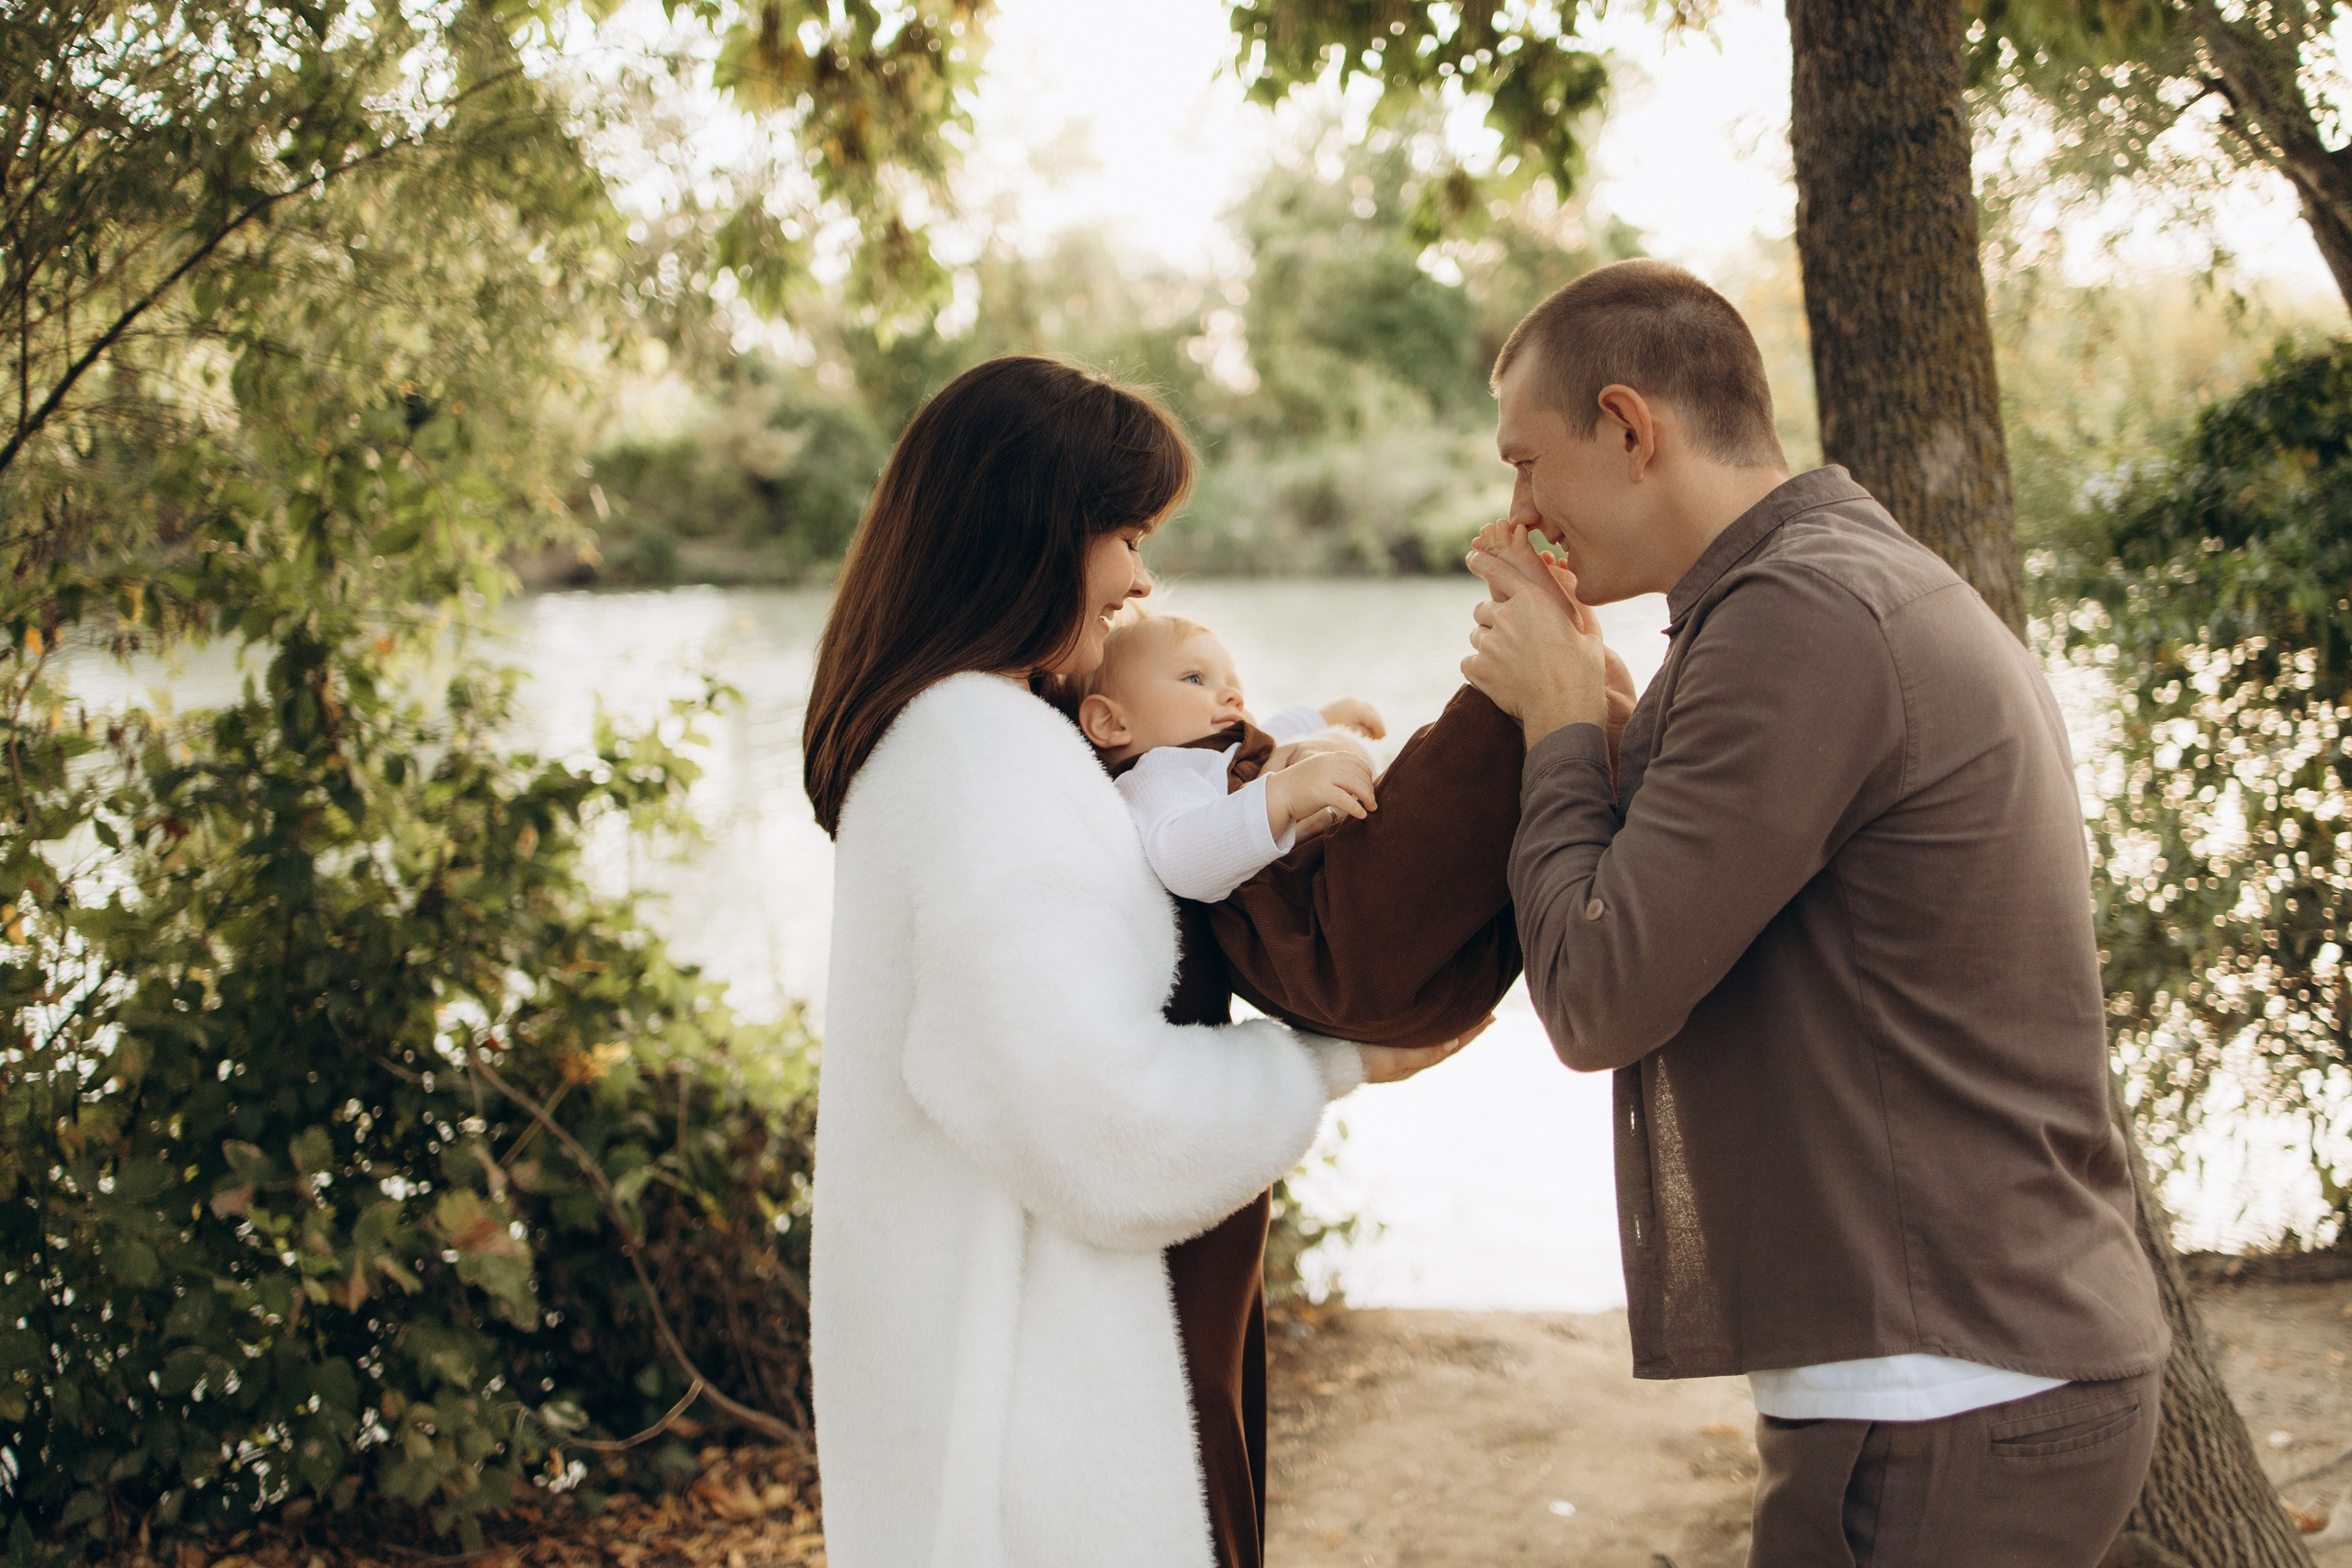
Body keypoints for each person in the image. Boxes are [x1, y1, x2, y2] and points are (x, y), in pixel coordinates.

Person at [1457, 260, 2170, 1565]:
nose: (1519, 509)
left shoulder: (1798, 615)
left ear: (1629, 426)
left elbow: (1600, 987)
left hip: (1940, 1398)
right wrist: (1611, 721)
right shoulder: (1818, 588)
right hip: (1962, 1375)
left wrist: (1561, 723)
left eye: (1528, 462)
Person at [799, 355, 1505, 1568]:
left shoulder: (979, 734)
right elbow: (1093, 1121)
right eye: (1123, 533)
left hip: (1018, 1370)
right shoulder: (979, 753)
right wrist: (1340, 1061)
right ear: (1030, 534)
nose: (1140, 573)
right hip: (1047, 1419)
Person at [1067, 608, 1386, 902]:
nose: (1233, 695)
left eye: (1235, 686)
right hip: (1282, 918)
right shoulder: (1159, 772)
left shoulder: (1220, 749)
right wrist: (1283, 795)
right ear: (1111, 723)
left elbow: (1275, 736)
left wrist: (1325, 717)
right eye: (1195, 678)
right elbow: (1180, 858)